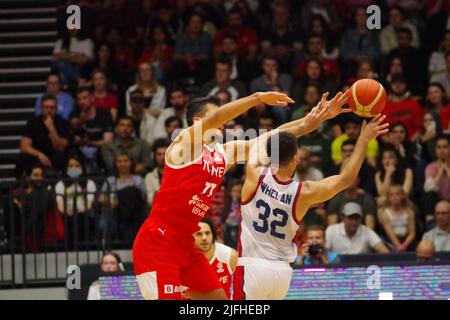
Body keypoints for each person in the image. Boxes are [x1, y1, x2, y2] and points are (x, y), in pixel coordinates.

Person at [132, 89, 349, 300]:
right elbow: (219, 115)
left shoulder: (222, 153)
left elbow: (270, 140)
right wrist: (256, 98)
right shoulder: (182, 145)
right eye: (217, 114)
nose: (223, 120)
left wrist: (308, 123)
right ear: (198, 121)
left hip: (186, 244)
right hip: (158, 241)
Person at [234, 113, 388, 300]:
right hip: (282, 274)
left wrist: (305, 124)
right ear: (295, 159)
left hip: (253, 267)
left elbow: (263, 141)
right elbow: (346, 178)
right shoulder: (304, 192)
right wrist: (363, 139)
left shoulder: (254, 173)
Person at [17, 94, 72, 177]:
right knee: (22, 158)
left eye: (52, 107)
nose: (49, 110)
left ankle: (64, 185)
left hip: (55, 156)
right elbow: (24, 146)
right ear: (41, 108)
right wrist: (40, 155)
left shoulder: (63, 123)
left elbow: (60, 147)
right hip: (37, 156)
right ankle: (19, 186)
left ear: (56, 109)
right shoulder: (33, 122)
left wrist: (52, 128)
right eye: (46, 107)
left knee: (62, 157)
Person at [99, 152, 147, 242]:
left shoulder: (137, 180)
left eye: (126, 161)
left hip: (133, 215)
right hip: (113, 213)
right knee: (104, 224)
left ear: (131, 163)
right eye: (119, 161)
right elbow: (101, 197)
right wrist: (111, 201)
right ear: (115, 164)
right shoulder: (110, 180)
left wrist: (120, 200)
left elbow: (143, 197)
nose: (123, 164)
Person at [55, 154, 96, 249]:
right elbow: (60, 206)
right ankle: (69, 248)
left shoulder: (89, 183)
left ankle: (81, 247)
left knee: (80, 218)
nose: (74, 168)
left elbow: (89, 205)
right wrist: (66, 211)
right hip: (67, 215)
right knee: (68, 219)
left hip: (84, 214)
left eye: (77, 165)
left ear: (82, 167)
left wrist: (79, 211)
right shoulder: (60, 184)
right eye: (71, 166)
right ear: (66, 168)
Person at [191, 218, 238, 299]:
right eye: (199, 234)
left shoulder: (230, 256)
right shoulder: (180, 259)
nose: (204, 238)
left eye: (207, 233)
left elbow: (243, 287)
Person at [70, 87, 114, 170]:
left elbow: (108, 141)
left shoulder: (104, 114)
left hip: (99, 149)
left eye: (85, 98)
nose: (81, 101)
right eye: (79, 99)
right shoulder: (75, 113)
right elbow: (74, 124)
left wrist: (90, 143)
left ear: (92, 98)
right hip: (80, 150)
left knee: (106, 150)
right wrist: (81, 120)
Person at [326, 202, 390, 255]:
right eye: (350, 218)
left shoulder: (367, 231)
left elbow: (384, 251)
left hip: (360, 268)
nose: (354, 222)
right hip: (337, 268)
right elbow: (324, 252)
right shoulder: (331, 230)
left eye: (356, 218)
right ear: (343, 218)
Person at [383, 74, 424, 141]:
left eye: (401, 82)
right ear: (390, 85)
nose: (398, 85)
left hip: (412, 143)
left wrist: (411, 144)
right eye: (394, 82)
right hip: (391, 145)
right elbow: (382, 133)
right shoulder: (384, 106)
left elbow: (420, 128)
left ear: (405, 85)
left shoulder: (414, 104)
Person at [378, 185, 416, 252]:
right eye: (391, 195)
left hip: (406, 241)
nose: (394, 197)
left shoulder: (409, 212)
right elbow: (390, 234)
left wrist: (404, 245)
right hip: (391, 241)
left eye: (397, 194)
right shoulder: (385, 214)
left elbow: (412, 233)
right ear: (388, 198)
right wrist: (399, 246)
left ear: (402, 196)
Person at [423, 136, 450, 221]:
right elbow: (428, 187)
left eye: (445, 147)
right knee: (429, 194)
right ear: (435, 150)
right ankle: (430, 220)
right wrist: (441, 170)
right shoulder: (431, 167)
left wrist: (447, 170)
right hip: (437, 200)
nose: (442, 150)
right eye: (439, 147)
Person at [145, 138, 170, 207]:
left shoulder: (178, 174)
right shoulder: (149, 177)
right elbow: (150, 201)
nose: (162, 157)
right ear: (154, 157)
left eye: (165, 154)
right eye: (159, 154)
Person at [222, 179, 243, 249]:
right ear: (230, 191)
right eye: (234, 191)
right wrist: (226, 220)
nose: (236, 194)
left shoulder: (244, 204)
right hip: (228, 230)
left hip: (239, 231)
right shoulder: (227, 202)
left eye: (239, 192)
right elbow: (222, 218)